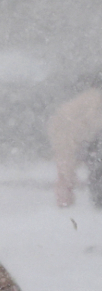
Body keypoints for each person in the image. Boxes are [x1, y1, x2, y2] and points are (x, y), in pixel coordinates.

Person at [48, 78, 102, 208]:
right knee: (68, 168)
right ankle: (66, 200)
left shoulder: (89, 99)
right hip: (73, 131)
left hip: (72, 130)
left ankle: (65, 199)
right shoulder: (95, 101)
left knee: (66, 168)